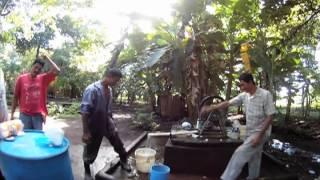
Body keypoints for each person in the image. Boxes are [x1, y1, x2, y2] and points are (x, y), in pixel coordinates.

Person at [201, 73, 276, 180]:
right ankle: (253, 177)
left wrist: (259, 135)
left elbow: (270, 116)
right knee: (255, 156)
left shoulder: (265, 95)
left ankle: (226, 178)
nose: (241, 88)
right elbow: (227, 103)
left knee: (239, 153)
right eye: (240, 85)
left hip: (261, 132)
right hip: (250, 131)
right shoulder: (244, 95)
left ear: (250, 82)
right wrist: (211, 108)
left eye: (243, 85)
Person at [81, 68, 131, 178]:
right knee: (90, 149)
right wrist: (85, 132)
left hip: (107, 122)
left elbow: (108, 109)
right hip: (94, 124)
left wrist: (112, 123)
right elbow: (84, 112)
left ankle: (124, 161)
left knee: (118, 143)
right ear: (109, 76)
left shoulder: (109, 90)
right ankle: (87, 171)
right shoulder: (92, 89)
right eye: (116, 80)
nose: (116, 83)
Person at [11, 55, 60, 130]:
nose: (37, 70)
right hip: (24, 115)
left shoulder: (43, 79)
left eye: (39, 69)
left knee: (37, 138)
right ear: (32, 66)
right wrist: (12, 113)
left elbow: (57, 71)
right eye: (35, 67)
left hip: (38, 116)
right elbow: (15, 97)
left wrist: (47, 58)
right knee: (25, 138)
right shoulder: (21, 79)